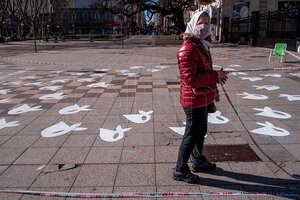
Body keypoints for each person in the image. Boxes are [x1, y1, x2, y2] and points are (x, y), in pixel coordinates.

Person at [173, 10, 229, 184]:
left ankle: (197, 161)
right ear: (192, 24)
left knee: (200, 131)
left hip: (203, 97)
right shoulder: (187, 49)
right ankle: (180, 169)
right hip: (193, 98)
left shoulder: (202, 45)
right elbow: (192, 79)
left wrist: (216, 77)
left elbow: (204, 71)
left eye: (207, 22)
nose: (205, 26)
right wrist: (215, 76)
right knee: (191, 133)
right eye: (200, 22)